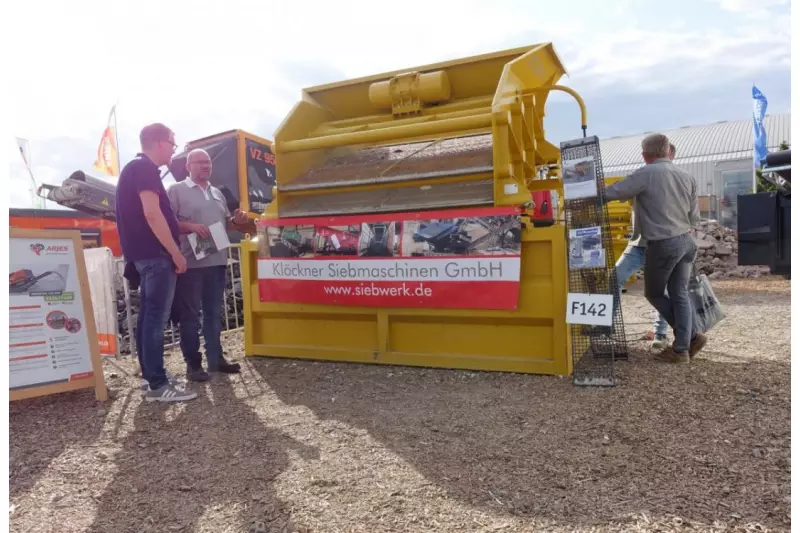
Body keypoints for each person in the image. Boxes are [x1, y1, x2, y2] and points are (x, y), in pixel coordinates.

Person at [605, 134, 707, 363]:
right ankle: (682, 348)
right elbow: (694, 218)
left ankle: (688, 338)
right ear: (667, 151)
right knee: (679, 293)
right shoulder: (687, 177)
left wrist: (582, 194)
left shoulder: (646, 174)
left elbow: (611, 192)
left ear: (644, 155)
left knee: (654, 293)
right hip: (686, 243)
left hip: (661, 244)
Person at [116, 123, 197, 402]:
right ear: (161, 143)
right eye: (173, 144)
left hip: (144, 256)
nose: (174, 150)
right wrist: (175, 252)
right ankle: (158, 384)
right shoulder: (145, 169)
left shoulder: (134, 169)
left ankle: (153, 377)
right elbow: (152, 214)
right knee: (154, 319)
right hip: (155, 256)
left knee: (148, 319)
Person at [167, 149, 254, 381]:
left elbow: (227, 225)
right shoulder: (175, 190)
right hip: (191, 264)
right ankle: (193, 365)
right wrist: (192, 227)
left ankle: (216, 360)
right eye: (200, 162)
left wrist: (238, 221)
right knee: (190, 316)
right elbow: (168, 223)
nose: (206, 166)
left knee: (214, 314)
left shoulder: (217, 192)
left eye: (208, 163)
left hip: (217, 261)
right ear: (188, 166)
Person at [612, 144, 678, 351]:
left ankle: (660, 333)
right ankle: (605, 326)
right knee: (613, 278)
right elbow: (621, 191)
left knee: (662, 290)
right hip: (640, 243)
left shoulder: (677, 180)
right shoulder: (645, 176)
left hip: (663, 244)